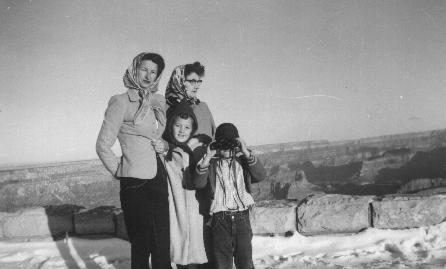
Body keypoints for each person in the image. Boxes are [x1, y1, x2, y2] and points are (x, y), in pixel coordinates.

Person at [96, 52, 172, 269]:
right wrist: (120, 171)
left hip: (158, 176)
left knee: (162, 243)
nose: (149, 75)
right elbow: (102, 145)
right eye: (144, 69)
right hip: (135, 183)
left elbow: (164, 137)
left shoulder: (157, 101)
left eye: (154, 72)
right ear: (135, 69)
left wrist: (164, 146)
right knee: (141, 245)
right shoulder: (121, 102)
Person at [192, 123, 267, 269]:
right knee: (222, 263)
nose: (225, 148)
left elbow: (260, 175)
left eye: (230, 143)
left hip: (242, 217)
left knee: (245, 261)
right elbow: (198, 183)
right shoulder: (212, 163)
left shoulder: (242, 160)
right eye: (222, 144)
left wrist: (245, 151)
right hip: (219, 219)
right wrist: (207, 156)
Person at [163, 103, 208, 269]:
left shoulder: (199, 151)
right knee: (180, 259)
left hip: (198, 216)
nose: (182, 131)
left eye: (187, 127)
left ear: (193, 129)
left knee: (199, 260)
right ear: (170, 126)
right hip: (176, 215)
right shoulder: (165, 153)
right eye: (177, 125)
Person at [165, 62, 216, 138]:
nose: (196, 86)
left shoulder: (203, 107)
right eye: (192, 82)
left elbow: (214, 136)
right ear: (179, 81)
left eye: (198, 82)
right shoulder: (166, 106)